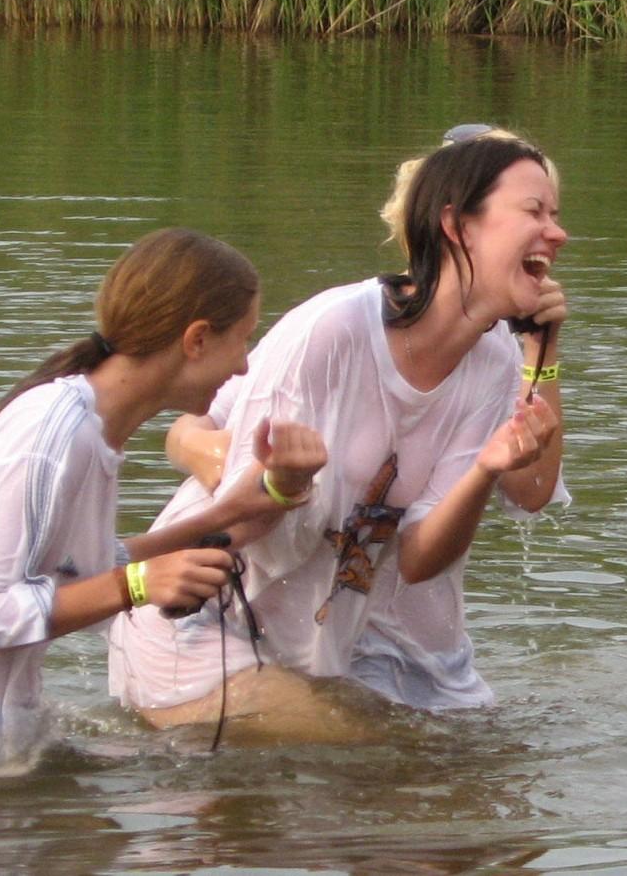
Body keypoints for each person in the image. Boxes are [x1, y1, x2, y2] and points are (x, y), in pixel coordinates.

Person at [108, 129, 569, 731]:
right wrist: (286, 480)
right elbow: (246, 517)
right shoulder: (333, 330)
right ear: (457, 225)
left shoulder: (496, 361)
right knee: (367, 759)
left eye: (556, 216)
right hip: (196, 616)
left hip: (316, 642)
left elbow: (422, 559)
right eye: (534, 212)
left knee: (466, 769)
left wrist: (486, 470)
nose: (557, 234)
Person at [0, 227, 327, 774]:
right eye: (242, 340)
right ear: (197, 338)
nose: (244, 367)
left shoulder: (93, 432)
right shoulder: (51, 435)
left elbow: (71, 574)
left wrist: (232, 512)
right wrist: (136, 585)